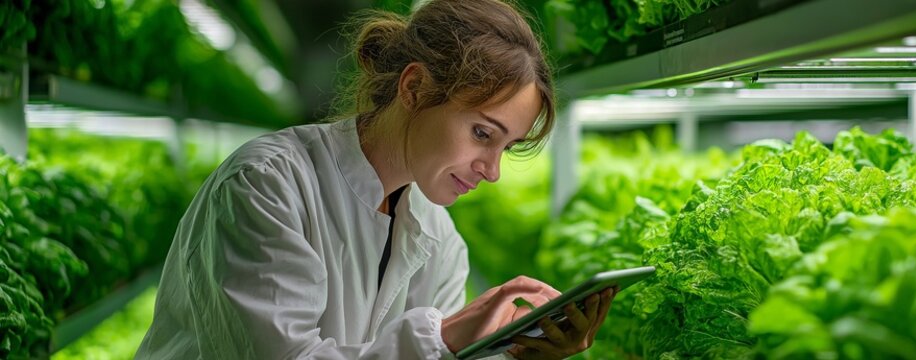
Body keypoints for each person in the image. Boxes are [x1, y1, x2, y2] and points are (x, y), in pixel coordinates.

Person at [135, 0, 617, 359]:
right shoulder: (266, 185)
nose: (491, 170)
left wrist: (517, 352)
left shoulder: (438, 236)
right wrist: (447, 334)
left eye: (505, 147)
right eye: (481, 133)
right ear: (414, 87)